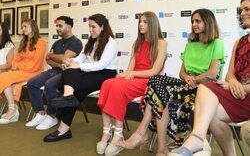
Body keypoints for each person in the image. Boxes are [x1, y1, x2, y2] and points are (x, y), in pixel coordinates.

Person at [120, 9, 225, 156]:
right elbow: (182, 72)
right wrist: (187, 77)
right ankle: (159, 146)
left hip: (206, 88)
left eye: (198, 21)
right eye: (192, 21)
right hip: (188, 84)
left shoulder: (217, 43)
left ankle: (145, 135)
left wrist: (194, 79)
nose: (194, 24)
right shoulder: (190, 45)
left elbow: (212, 73)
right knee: (156, 82)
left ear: (208, 22)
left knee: (157, 93)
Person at [169, 0, 250, 156]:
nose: (242, 13)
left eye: (247, 9)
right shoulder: (239, 42)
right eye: (241, 10)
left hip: (245, 93)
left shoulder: (217, 43)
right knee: (210, 107)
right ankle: (200, 138)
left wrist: (241, 86)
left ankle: (196, 138)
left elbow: (214, 73)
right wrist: (233, 81)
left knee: (207, 86)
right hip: (240, 96)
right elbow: (229, 74)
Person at [96, 11, 167, 156]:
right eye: (140, 21)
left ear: (153, 24)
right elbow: (130, 69)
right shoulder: (137, 43)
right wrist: (122, 75)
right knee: (108, 83)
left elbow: (154, 71)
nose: (141, 24)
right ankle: (106, 133)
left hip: (150, 82)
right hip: (135, 79)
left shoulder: (161, 43)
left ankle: (118, 135)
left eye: (145, 22)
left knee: (117, 87)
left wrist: (131, 74)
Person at [43, 13, 118, 142]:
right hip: (90, 71)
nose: (90, 30)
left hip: (105, 74)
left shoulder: (111, 42)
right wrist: (70, 62)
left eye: (93, 27)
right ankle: (67, 97)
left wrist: (78, 66)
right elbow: (81, 57)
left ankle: (63, 128)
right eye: (89, 27)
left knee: (76, 88)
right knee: (68, 71)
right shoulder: (91, 41)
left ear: (102, 27)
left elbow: (102, 64)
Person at [25, 16, 82, 130]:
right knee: (32, 83)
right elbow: (48, 60)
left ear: (69, 26)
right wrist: (57, 61)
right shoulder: (56, 43)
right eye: (56, 26)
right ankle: (40, 113)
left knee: (49, 85)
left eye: (60, 26)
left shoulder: (76, 42)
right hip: (55, 70)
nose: (57, 28)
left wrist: (52, 55)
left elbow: (64, 58)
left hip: (68, 73)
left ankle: (52, 116)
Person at [0, 18, 46, 124]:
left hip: (34, 72)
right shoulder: (24, 42)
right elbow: (16, 59)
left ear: (33, 27)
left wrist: (18, 66)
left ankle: (12, 110)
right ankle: (13, 109)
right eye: (22, 27)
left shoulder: (41, 42)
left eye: (25, 26)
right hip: (22, 71)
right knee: (6, 77)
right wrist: (16, 66)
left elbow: (36, 63)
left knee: (4, 77)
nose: (23, 29)